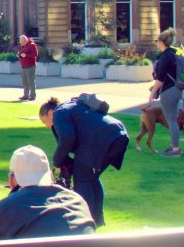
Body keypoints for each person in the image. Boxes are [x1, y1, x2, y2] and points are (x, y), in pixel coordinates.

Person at [38, 97, 128, 226]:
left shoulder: (59, 113)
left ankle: (85, 220)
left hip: (102, 140)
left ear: (50, 113)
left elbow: (67, 138)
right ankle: (98, 219)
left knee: (82, 179)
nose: (47, 126)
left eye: (44, 122)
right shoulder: (72, 105)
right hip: (117, 134)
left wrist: (57, 163)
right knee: (92, 177)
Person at [148, 27, 183, 157]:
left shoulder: (164, 57)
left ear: (162, 42)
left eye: (156, 40)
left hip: (168, 90)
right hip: (177, 89)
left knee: (171, 120)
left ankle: (175, 150)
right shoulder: (172, 55)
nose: (156, 42)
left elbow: (160, 79)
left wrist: (152, 94)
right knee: (172, 119)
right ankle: (175, 146)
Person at [17, 34, 38, 101]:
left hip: (30, 66)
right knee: (25, 82)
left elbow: (35, 54)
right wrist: (19, 55)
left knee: (31, 81)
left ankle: (32, 96)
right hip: (23, 66)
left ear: (25, 40)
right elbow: (20, 54)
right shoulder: (21, 46)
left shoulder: (32, 45)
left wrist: (26, 55)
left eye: (22, 42)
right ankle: (26, 95)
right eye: (20, 42)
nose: (21, 43)